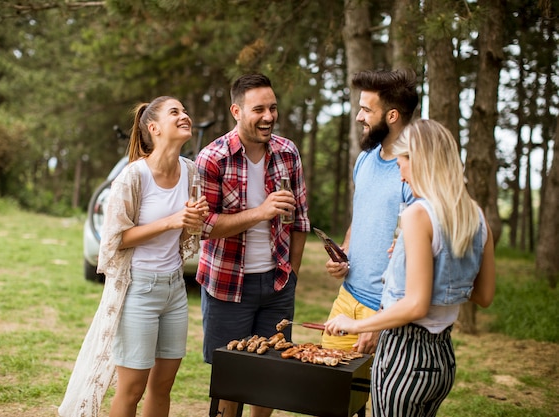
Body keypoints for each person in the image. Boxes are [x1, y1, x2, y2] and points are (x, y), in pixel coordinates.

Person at [324, 119, 496, 416]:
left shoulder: (418, 214)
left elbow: (415, 305)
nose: (401, 175)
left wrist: (355, 325)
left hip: (403, 359)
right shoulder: (475, 215)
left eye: (402, 161)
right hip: (442, 360)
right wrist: (419, 267)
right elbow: (484, 296)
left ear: (419, 160)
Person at [58, 96, 209, 417]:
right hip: (138, 290)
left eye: (184, 111)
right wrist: (171, 221)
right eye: (175, 112)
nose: (185, 116)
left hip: (175, 290)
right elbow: (115, 239)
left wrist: (194, 222)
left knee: (162, 386)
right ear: (153, 128)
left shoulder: (191, 172)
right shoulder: (132, 176)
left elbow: (188, 231)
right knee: (132, 388)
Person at [195, 73, 310, 417]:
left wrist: (292, 277)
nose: (269, 116)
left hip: (277, 284)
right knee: (230, 382)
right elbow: (205, 226)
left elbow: (300, 221)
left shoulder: (287, 152)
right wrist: (260, 212)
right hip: (228, 286)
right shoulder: (213, 158)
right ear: (236, 110)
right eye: (259, 109)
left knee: (270, 377)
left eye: (272, 108)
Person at [321, 68, 419, 354]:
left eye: (366, 109)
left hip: (385, 311)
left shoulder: (414, 172)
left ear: (392, 116)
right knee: (329, 392)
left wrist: (380, 320)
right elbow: (361, 217)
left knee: (381, 397)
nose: (359, 117)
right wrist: (345, 253)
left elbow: (417, 252)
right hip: (347, 298)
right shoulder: (364, 160)